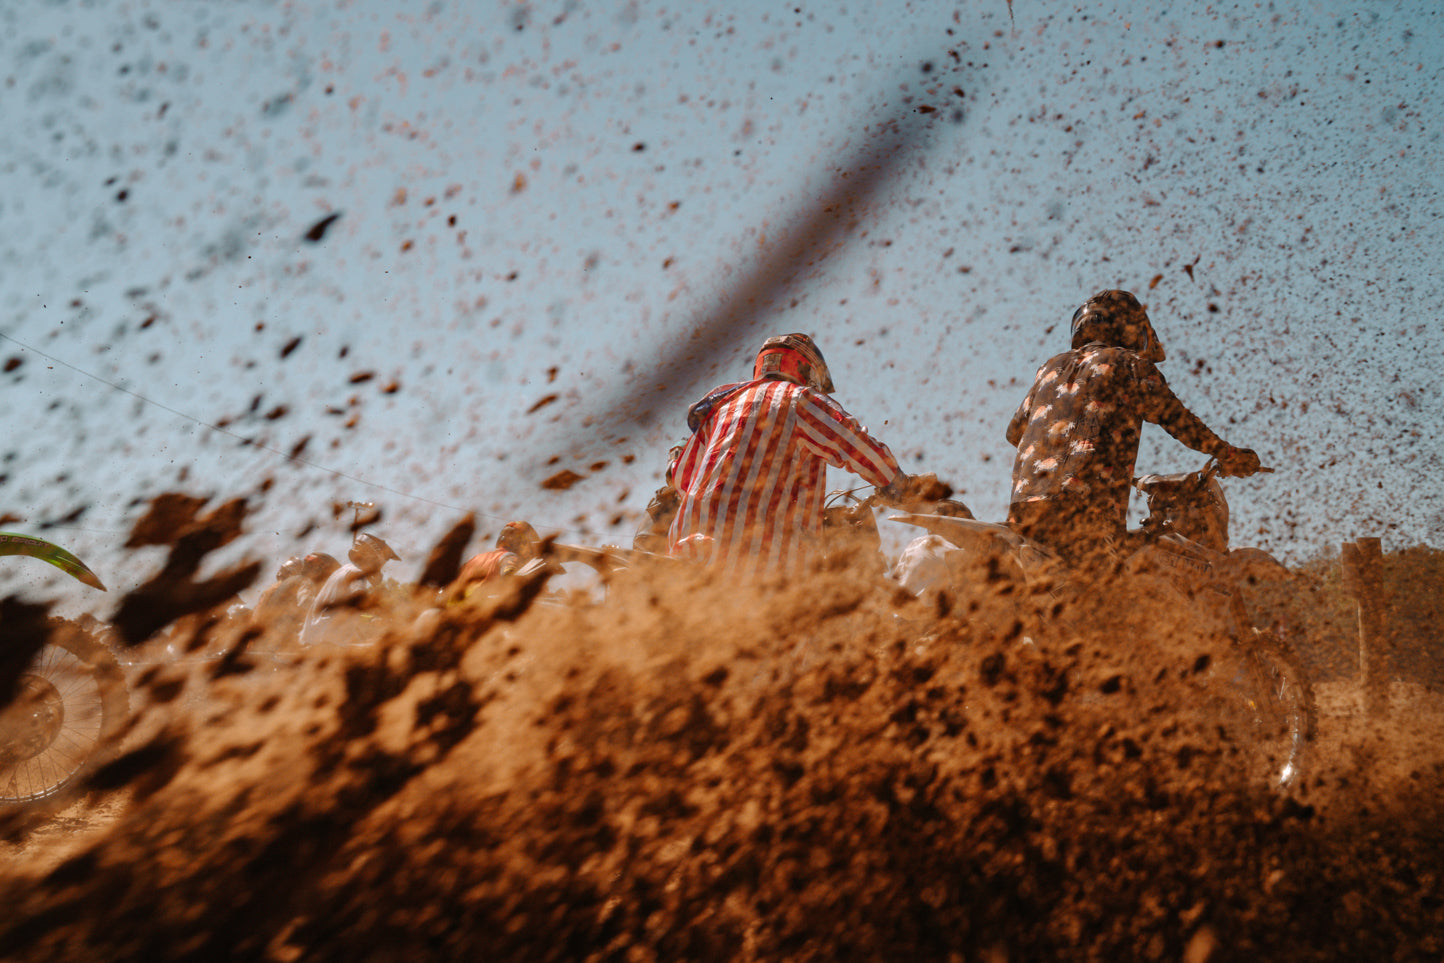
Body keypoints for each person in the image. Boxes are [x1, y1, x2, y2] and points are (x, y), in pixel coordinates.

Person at [1005, 289, 1261, 564]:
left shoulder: (1050, 368)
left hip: (1024, 510)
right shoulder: (1130, 364)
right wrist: (1230, 455)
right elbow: (1179, 421)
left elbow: (1014, 433)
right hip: (1086, 511)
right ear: (1129, 328)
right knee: (1128, 594)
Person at [667, 332, 924, 579]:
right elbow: (854, 442)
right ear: (808, 371)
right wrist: (898, 483)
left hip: (686, 551)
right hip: (753, 563)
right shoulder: (798, 400)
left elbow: (681, 477)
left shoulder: (721, 408)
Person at [300, 533, 400, 646]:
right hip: (328, 641)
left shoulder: (342, 571)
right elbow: (359, 601)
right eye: (382, 561)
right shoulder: (357, 574)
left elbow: (348, 609)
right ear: (372, 556)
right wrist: (382, 614)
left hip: (314, 637)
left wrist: (371, 619)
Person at [449, 521, 545, 601]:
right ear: (519, 541)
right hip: (478, 609)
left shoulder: (476, 558)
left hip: (455, 606)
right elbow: (509, 578)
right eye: (526, 542)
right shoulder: (509, 558)